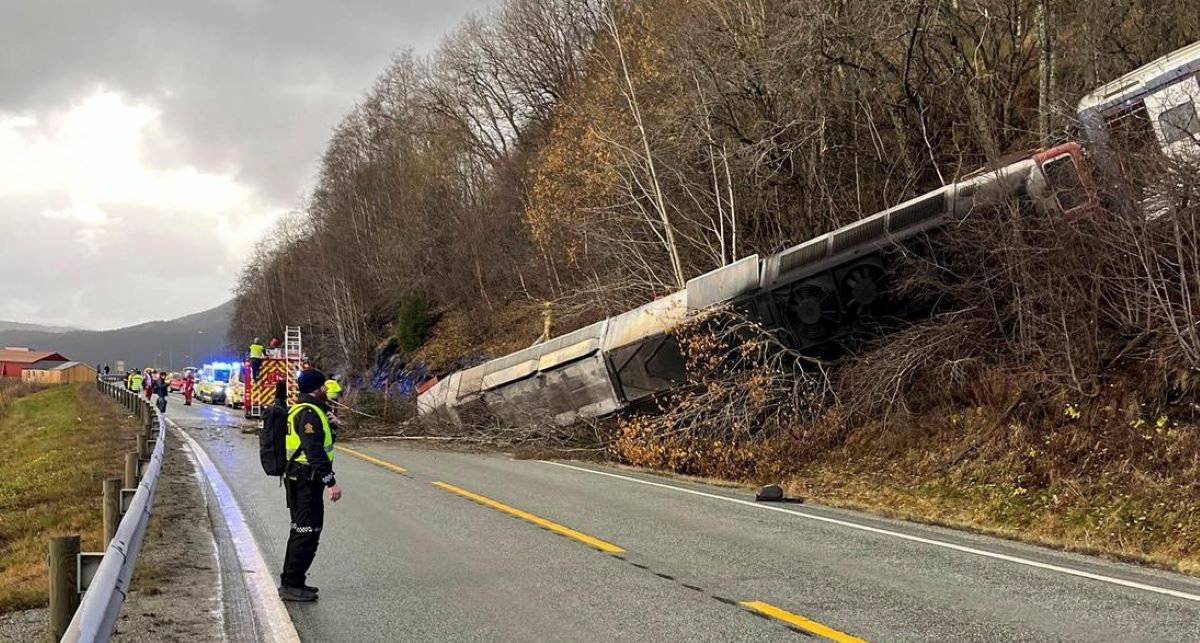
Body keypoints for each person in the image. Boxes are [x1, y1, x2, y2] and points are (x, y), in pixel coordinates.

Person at [279, 368, 341, 602]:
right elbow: (314, 450)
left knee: (310, 530)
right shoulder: (308, 414)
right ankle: (290, 583)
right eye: (324, 386)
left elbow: (321, 442)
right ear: (317, 389)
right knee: (304, 531)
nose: (327, 389)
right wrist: (331, 481)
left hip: (306, 481)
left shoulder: (311, 410)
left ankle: (297, 580)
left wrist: (334, 425)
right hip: (304, 480)